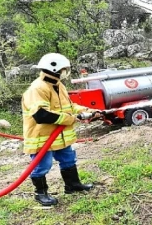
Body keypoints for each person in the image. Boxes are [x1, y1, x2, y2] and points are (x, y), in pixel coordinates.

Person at [21, 53, 102, 206]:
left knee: (68, 159)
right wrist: (72, 119)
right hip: (42, 137)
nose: (65, 71)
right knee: (42, 165)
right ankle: (40, 193)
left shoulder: (58, 85)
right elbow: (41, 115)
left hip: (60, 136)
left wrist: (89, 111)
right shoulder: (37, 88)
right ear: (54, 69)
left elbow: (70, 107)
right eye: (64, 69)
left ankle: (72, 185)